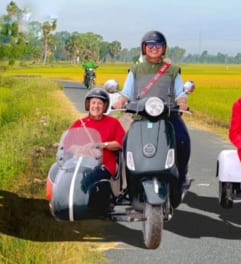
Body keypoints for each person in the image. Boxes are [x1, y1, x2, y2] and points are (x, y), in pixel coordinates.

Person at [114, 30, 192, 190]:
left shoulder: (172, 70)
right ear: (144, 48)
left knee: (183, 140)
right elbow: (127, 92)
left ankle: (182, 176)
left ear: (164, 48)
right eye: (150, 45)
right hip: (141, 117)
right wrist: (121, 100)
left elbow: (180, 93)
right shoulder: (135, 70)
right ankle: (126, 183)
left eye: (158, 45)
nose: (154, 48)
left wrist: (182, 102)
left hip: (168, 116)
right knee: (125, 144)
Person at [70, 88, 126, 178]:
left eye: (100, 103)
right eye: (93, 103)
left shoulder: (113, 122)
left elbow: (121, 143)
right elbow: (69, 145)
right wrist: (79, 149)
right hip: (80, 163)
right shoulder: (79, 123)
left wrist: (101, 145)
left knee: (89, 179)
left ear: (105, 106)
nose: (96, 106)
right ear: (88, 105)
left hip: (105, 164)